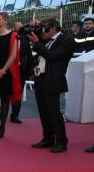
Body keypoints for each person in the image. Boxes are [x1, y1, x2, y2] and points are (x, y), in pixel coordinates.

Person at [28, 18, 76, 153]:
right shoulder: (45, 40)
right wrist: (34, 28)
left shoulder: (67, 40)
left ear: (54, 28)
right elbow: (36, 42)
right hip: (40, 78)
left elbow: (52, 56)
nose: (43, 31)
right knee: (43, 111)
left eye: (45, 28)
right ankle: (48, 138)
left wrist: (37, 43)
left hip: (53, 80)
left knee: (54, 112)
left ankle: (61, 141)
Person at [10, 22, 34, 123]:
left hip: (21, 70)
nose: (21, 28)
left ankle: (15, 115)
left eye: (21, 26)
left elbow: (30, 57)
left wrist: (28, 71)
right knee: (6, 92)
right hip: (9, 69)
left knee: (18, 92)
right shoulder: (9, 38)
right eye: (18, 26)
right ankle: (1, 113)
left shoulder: (25, 41)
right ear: (14, 29)